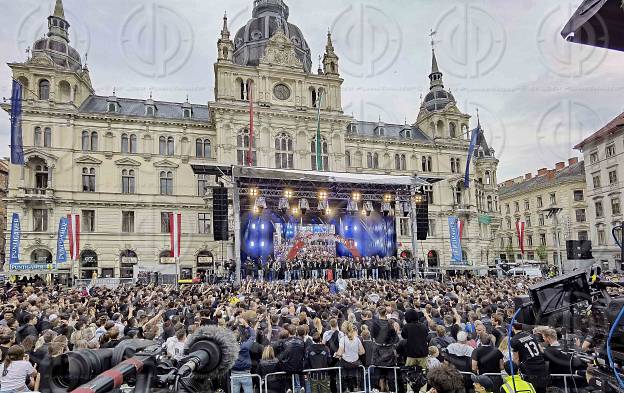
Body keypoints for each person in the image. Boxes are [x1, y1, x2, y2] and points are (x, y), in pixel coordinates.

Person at [510, 323, 549, 393]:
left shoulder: (514, 340)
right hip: (541, 366)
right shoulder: (531, 335)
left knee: (531, 389)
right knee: (542, 390)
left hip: (530, 368)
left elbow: (516, 359)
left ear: (513, 328)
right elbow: (541, 351)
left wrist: (516, 370)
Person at [335, 322, 365, 392]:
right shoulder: (357, 339)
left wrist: (336, 354)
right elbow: (362, 352)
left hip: (346, 365)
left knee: (343, 382)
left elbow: (340, 352)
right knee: (353, 385)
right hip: (355, 364)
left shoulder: (343, 339)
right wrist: (354, 352)